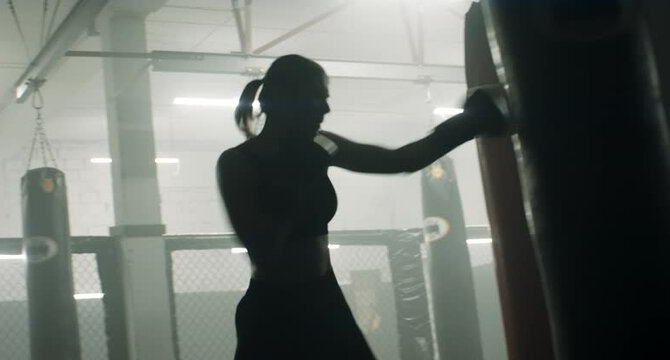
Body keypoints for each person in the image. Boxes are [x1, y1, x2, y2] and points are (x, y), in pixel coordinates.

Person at [217, 54, 507, 359]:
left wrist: (469, 123)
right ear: (289, 99)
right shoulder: (238, 162)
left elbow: (400, 161)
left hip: (324, 299)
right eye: (317, 98)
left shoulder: (322, 145)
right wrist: (298, 180)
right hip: (274, 309)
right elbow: (262, 248)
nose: (326, 108)